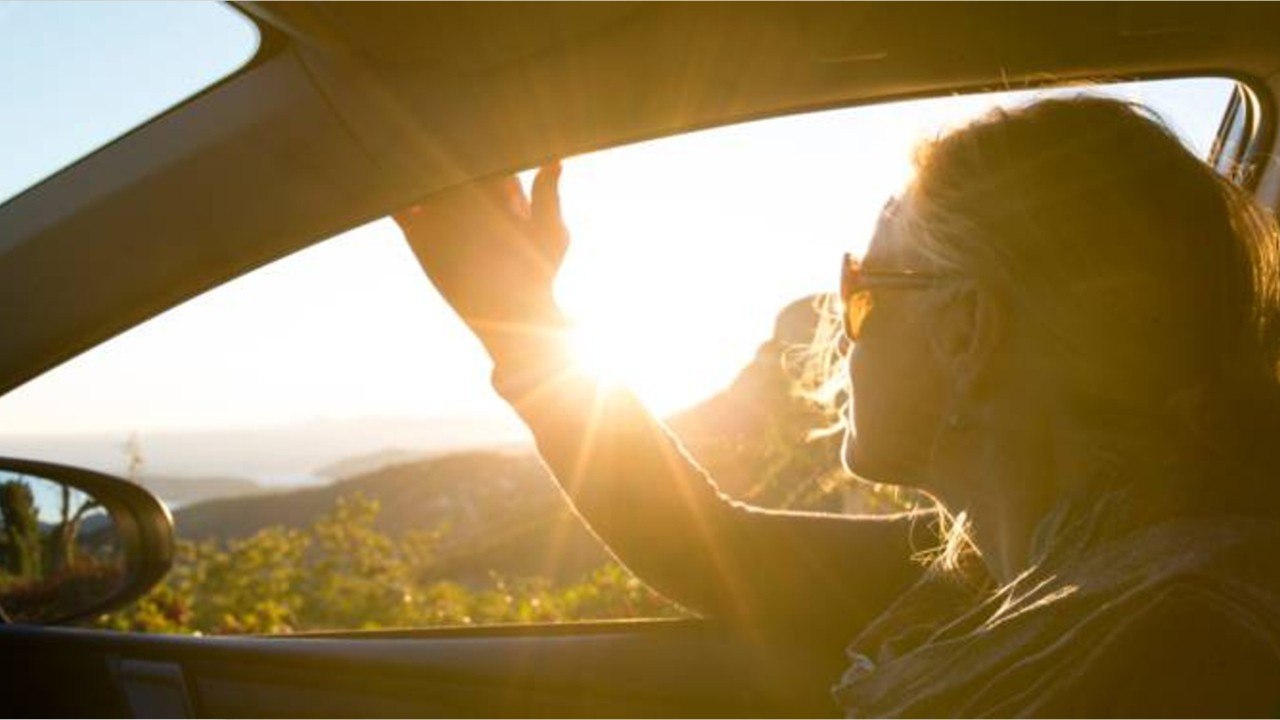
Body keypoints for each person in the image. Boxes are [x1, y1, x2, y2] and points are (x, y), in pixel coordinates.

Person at [394, 96, 1280, 717]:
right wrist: (517, 317)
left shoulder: (1177, 655)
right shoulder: (1020, 567)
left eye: (863, 285)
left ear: (967, 330)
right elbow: (712, 547)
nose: (837, 322)